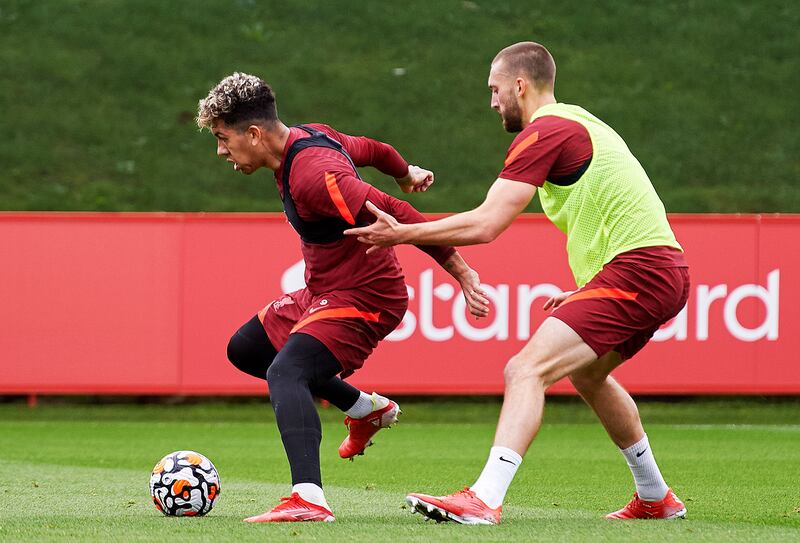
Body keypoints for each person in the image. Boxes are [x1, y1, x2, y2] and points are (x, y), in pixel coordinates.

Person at [345, 42, 691, 524]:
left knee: (524, 370)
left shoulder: (544, 131)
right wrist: (590, 288)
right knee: (588, 374)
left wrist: (403, 233)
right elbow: (620, 205)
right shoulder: (581, 121)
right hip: (655, 270)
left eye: (494, 89)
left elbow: (487, 223)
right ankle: (655, 495)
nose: (492, 101)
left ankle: (485, 498)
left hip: (642, 270)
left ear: (520, 85)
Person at [196, 73, 487, 523]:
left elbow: (396, 213)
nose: (219, 151)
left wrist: (462, 274)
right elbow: (373, 149)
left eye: (222, 138)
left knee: (287, 372)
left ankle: (308, 498)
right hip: (323, 290)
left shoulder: (314, 175)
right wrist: (405, 170)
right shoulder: (313, 135)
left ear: (253, 134)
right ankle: (362, 408)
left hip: (366, 294)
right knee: (247, 348)